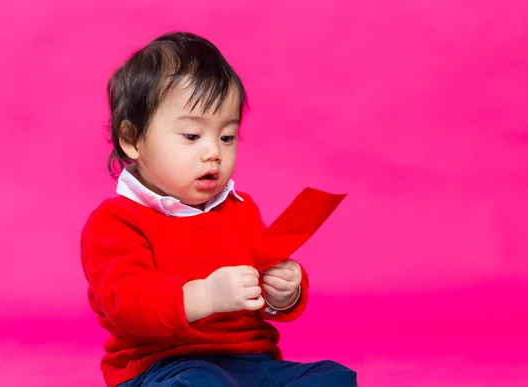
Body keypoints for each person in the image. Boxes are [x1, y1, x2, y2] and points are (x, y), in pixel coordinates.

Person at [80, 31, 357, 387]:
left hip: (250, 362)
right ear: (132, 140)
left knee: (332, 377)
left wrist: (285, 292)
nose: (214, 152)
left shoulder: (239, 210)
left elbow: (261, 284)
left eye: (227, 137)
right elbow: (127, 305)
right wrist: (204, 295)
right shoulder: (116, 222)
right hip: (167, 365)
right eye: (192, 137)